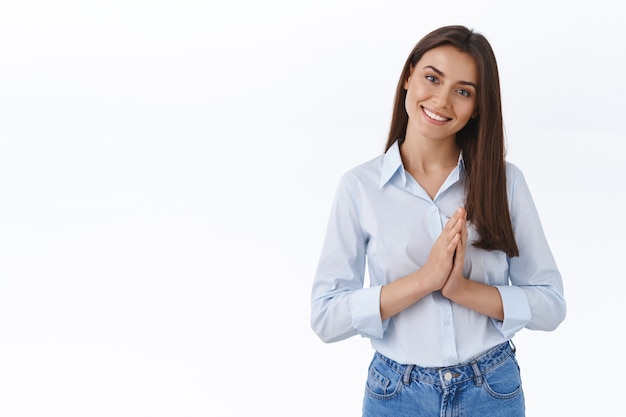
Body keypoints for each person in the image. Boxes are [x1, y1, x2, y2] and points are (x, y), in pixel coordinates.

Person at [310, 25, 566, 416]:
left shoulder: (505, 182)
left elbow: (550, 304)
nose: (442, 100)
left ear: (478, 106)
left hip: (491, 389)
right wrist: (423, 281)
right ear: (409, 76)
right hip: (397, 394)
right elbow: (326, 317)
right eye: (432, 78)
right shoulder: (359, 188)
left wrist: (462, 290)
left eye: (463, 91)